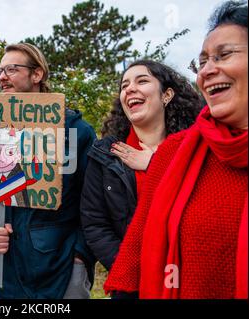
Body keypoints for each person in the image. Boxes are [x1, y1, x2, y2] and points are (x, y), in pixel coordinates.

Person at [104, 0, 247, 299]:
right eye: (202, 62)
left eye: (223, 55)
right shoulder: (175, 153)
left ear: (167, 94)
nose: (207, 70)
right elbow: (131, 247)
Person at [0, 43, 96, 299]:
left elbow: (93, 203)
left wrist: (80, 256)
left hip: (62, 269)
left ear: (37, 75)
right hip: (8, 272)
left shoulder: (77, 132)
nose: (2, 77)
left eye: (11, 69)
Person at [80, 60, 201, 272]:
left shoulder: (194, 147)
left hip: (188, 273)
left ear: (167, 95)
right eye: (124, 86)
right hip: (132, 281)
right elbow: (95, 223)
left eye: (142, 81)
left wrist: (155, 164)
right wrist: (130, 270)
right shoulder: (105, 153)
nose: (130, 89)